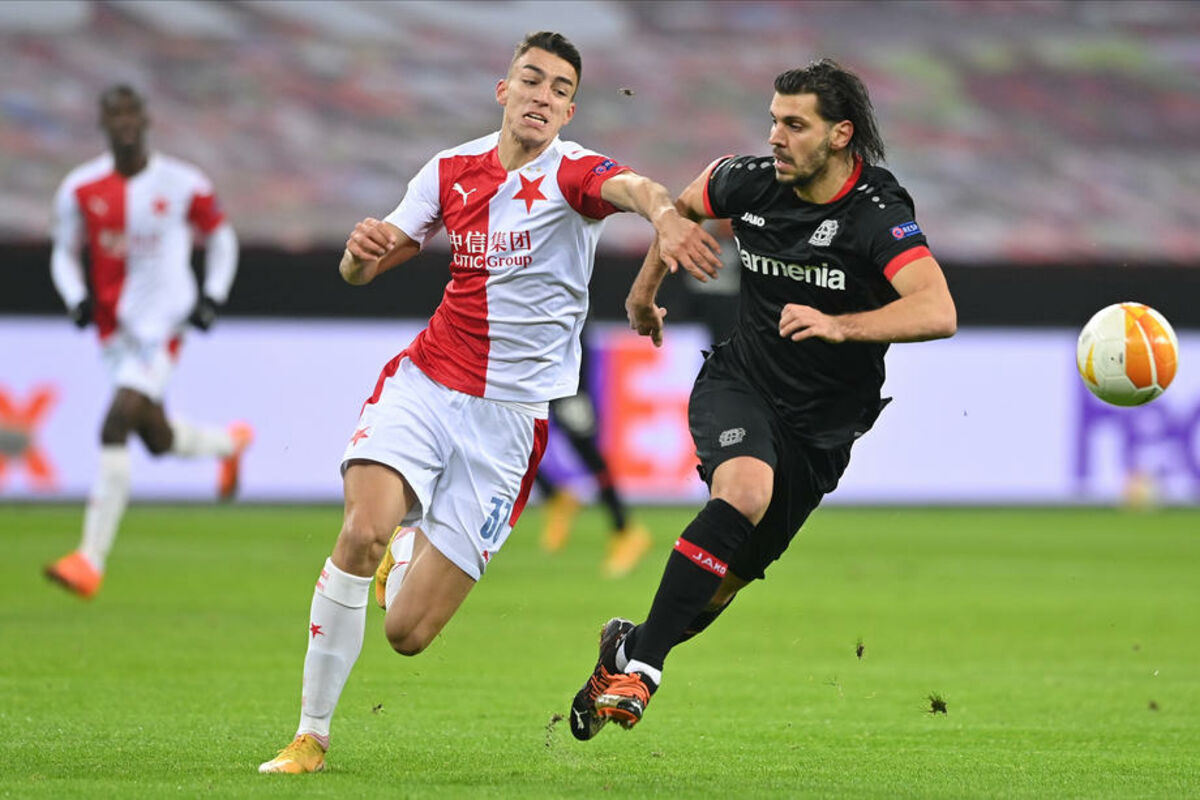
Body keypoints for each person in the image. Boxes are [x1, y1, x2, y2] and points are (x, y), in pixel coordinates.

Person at [257, 31, 721, 774]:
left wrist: (665, 218)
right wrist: (357, 254)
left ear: (569, 112)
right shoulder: (449, 170)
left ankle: (406, 551)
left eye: (560, 89)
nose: (543, 96)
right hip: (427, 384)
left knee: (407, 633)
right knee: (362, 530)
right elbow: (364, 268)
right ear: (504, 91)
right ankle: (311, 736)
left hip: (509, 424)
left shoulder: (574, 174)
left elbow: (638, 190)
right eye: (531, 80)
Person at [567, 59, 957, 739]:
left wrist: (841, 326)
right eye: (774, 120)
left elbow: (937, 309)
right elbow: (683, 207)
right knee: (744, 491)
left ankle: (626, 650)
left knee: (721, 583)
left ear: (839, 135)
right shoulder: (748, 181)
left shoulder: (875, 213)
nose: (776, 136)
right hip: (742, 383)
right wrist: (642, 293)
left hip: (822, 430)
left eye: (795, 125)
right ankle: (645, 669)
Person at [44, 85, 250, 600]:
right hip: (114, 332)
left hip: (166, 326)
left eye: (131, 113)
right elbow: (64, 253)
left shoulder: (183, 183)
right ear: (103, 123)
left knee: (115, 422)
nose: (125, 122)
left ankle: (89, 560)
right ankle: (229, 444)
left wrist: (213, 296)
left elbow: (221, 237)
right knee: (154, 437)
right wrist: (75, 298)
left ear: (145, 119)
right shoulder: (79, 189)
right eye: (115, 114)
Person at [536, 338, 651, 578]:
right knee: (513, 438)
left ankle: (625, 529)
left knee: (586, 449)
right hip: (534, 360)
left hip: (565, 363)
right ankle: (555, 497)